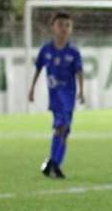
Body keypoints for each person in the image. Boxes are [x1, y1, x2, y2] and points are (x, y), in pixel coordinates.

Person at [27, 12, 84, 179]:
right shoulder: (46, 50)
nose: (64, 28)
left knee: (64, 131)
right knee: (61, 127)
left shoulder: (73, 52)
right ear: (53, 28)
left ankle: (54, 164)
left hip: (69, 96)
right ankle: (53, 163)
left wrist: (82, 90)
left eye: (67, 25)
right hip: (56, 97)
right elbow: (38, 69)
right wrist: (32, 89)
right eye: (60, 24)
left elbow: (79, 72)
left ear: (71, 29)